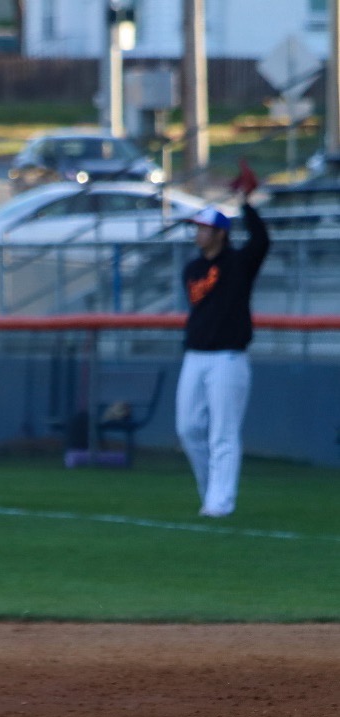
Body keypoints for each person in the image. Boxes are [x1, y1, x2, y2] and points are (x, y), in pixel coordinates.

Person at [176, 169, 268, 518]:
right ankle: (210, 492)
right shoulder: (193, 268)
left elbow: (261, 242)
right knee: (188, 429)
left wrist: (247, 204)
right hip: (195, 357)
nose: (197, 233)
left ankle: (220, 503)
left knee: (223, 434)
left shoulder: (238, 264)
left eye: (203, 228)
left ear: (219, 233)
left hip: (228, 358)